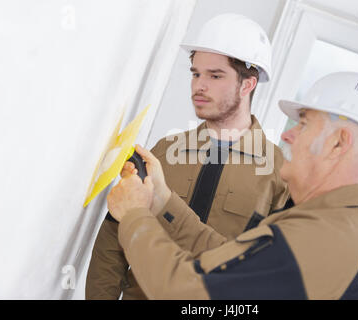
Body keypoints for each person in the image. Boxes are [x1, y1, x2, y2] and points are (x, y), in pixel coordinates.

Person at [106, 72, 358, 299]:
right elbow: (235, 264)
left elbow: (186, 292)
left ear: (338, 143)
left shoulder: (326, 238)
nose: (288, 136)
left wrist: (134, 216)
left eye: (304, 124)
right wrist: (161, 201)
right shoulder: (333, 224)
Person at [86, 13, 289, 299]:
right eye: (195, 73)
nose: (199, 86)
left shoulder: (280, 174)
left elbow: (270, 275)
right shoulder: (163, 153)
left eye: (215, 75)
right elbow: (113, 237)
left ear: (247, 85)